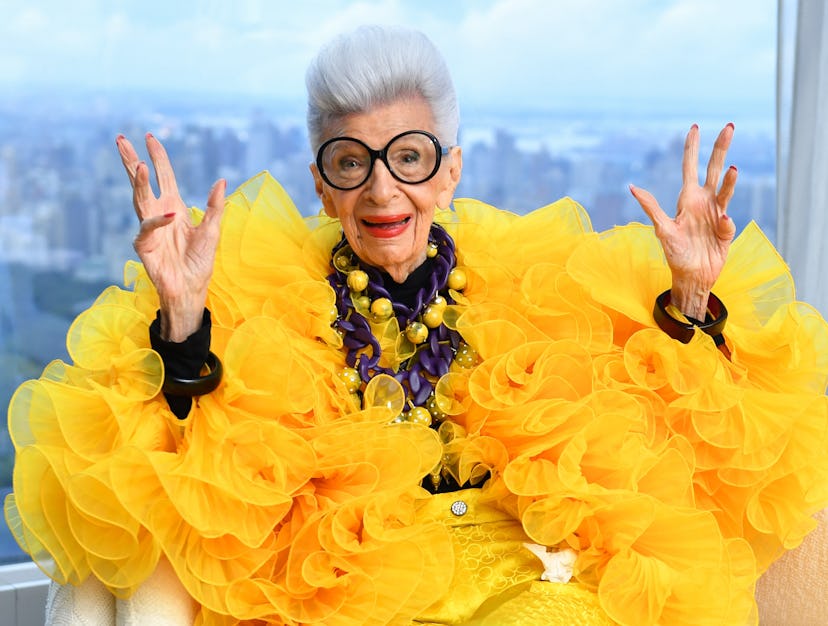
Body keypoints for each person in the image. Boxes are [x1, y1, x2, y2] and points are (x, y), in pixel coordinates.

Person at [5, 24, 828, 626]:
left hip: (529, 578)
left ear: (451, 170)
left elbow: (666, 412)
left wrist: (689, 293)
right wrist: (184, 316)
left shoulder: (530, 278)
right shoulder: (273, 295)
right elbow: (187, 462)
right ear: (323, 187)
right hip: (353, 586)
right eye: (351, 163)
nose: (381, 191)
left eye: (410, 157)